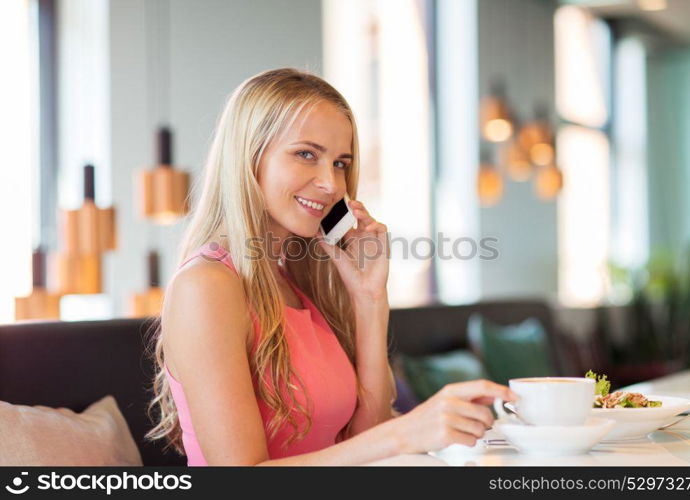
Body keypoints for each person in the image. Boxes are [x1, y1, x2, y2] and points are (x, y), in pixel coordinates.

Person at [145, 68, 517, 465]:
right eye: (306, 154)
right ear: (248, 158)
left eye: (340, 163)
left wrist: (370, 299)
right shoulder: (206, 285)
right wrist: (405, 431)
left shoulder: (296, 281)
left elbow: (365, 441)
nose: (331, 184)